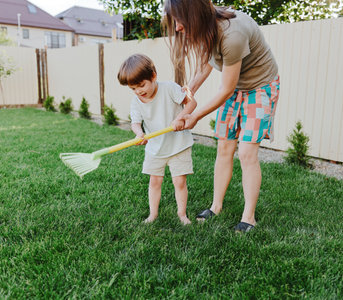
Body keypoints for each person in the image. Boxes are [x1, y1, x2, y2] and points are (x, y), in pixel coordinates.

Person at [163, 0, 280, 232]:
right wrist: (188, 93)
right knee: (224, 147)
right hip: (236, 87)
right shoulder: (207, 28)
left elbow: (225, 90)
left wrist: (194, 116)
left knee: (246, 153)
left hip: (260, 86)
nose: (177, 27)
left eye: (180, 20)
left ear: (194, 15)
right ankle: (216, 207)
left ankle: (249, 218)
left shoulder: (232, 34)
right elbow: (208, 62)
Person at [117, 53, 197, 225]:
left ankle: (182, 214)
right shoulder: (136, 101)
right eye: (133, 88)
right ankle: (153, 215)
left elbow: (191, 103)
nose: (138, 91)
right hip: (155, 148)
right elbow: (135, 123)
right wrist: (139, 133)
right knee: (154, 182)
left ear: (153, 76)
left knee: (179, 181)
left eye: (141, 85)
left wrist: (180, 118)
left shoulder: (169, 88)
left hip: (178, 145)